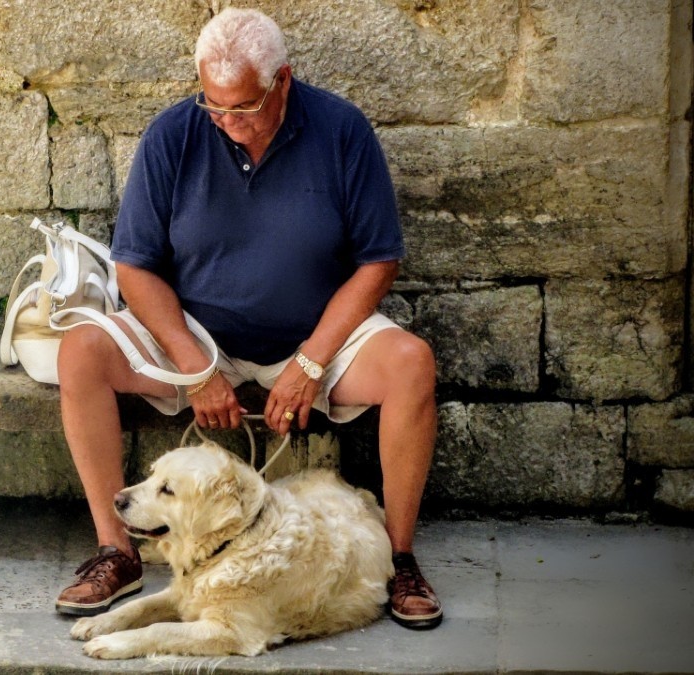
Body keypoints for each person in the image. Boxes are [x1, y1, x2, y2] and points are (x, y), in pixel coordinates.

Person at [53, 7, 443, 630]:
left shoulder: (342, 130)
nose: (229, 122)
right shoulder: (174, 134)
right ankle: (116, 551)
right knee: (80, 352)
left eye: (245, 106)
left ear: (282, 81)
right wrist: (194, 365)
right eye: (215, 105)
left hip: (318, 335)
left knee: (411, 364)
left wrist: (312, 360)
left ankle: (399, 560)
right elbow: (135, 268)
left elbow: (378, 261)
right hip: (199, 336)